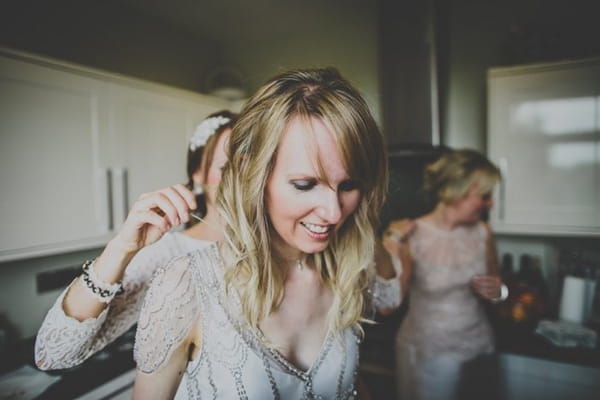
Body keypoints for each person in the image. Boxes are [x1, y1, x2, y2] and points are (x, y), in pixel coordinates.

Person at [131, 67, 397, 399]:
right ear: (252, 174)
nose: (333, 212)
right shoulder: (186, 285)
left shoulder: (346, 272)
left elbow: (351, 386)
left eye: (350, 185)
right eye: (305, 184)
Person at [34, 110, 238, 370]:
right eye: (227, 167)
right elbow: (52, 354)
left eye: (251, 165)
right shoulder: (170, 254)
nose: (241, 178)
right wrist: (122, 247)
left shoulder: (284, 247)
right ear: (198, 173)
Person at [383, 149, 507, 400]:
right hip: (429, 354)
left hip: (479, 347)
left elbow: (499, 289)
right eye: (484, 196)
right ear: (457, 191)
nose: (490, 204)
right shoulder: (412, 234)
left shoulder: (483, 232)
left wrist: (500, 292)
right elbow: (389, 304)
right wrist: (391, 243)